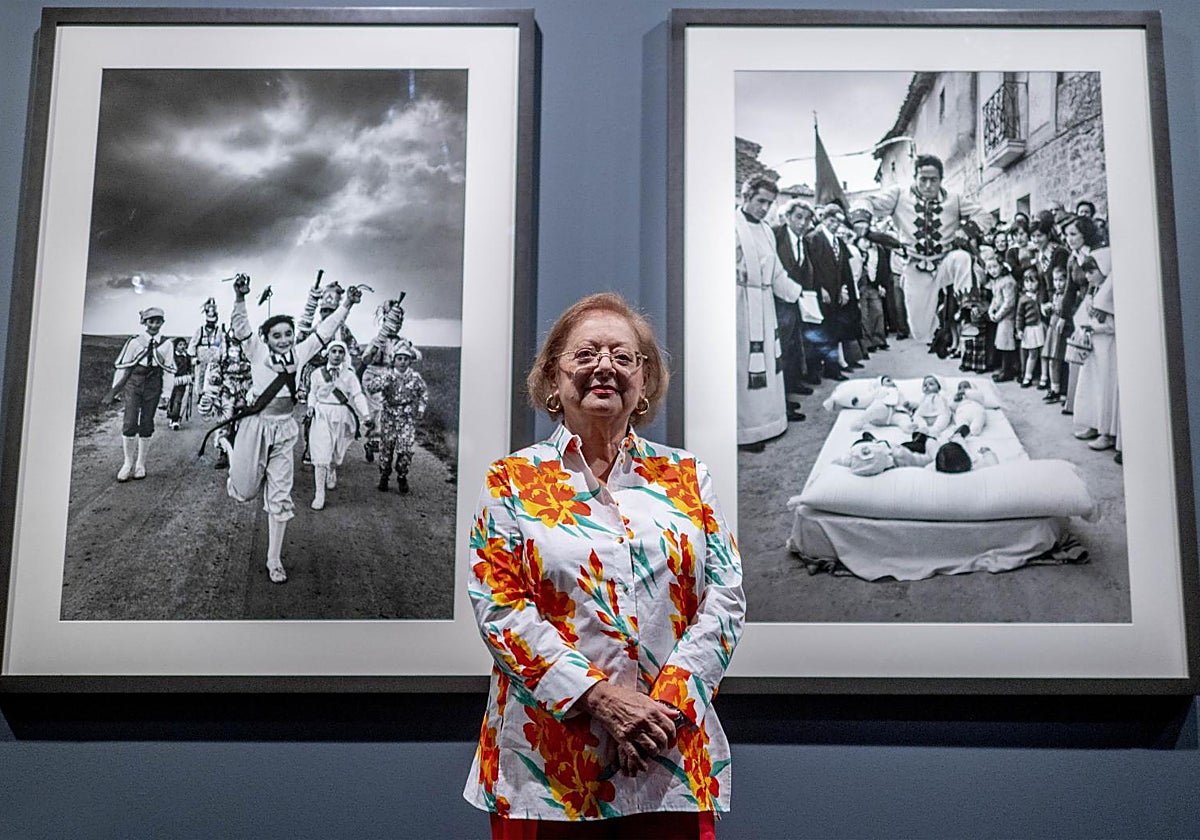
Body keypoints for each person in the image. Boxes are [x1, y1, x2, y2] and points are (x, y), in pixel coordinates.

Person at [464, 293, 744, 838]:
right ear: (553, 375)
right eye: (586, 353)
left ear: (645, 379)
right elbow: (501, 609)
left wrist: (659, 713)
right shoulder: (510, 481)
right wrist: (604, 701)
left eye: (623, 357)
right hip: (546, 771)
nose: (604, 368)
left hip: (668, 759)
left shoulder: (688, 476)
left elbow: (725, 599)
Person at [219, 273, 362, 584]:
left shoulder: (301, 352)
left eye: (288, 334)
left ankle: (274, 558)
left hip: (284, 431)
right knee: (243, 490)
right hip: (255, 428)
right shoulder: (256, 351)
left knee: (280, 496)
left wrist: (347, 304)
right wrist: (240, 297)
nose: (283, 339)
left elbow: (325, 330)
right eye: (277, 335)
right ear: (267, 338)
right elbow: (241, 328)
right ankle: (233, 454)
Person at [855, 153, 993, 344]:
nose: (928, 185)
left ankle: (966, 314)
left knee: (962, 258)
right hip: (915, 266)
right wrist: (862, 218)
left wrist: (966, 230)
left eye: (933, 180)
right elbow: (867, 201)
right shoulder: (898, 196)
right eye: (923, 180)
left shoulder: (955, 200)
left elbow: (985, 217)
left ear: (941, 180)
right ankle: (937, 325)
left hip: (945, 263)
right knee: (921, 333)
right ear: (915, 178)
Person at [735, 177, 803, 450]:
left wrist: (799, 294)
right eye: (760, 201)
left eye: (769, 203)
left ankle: (772, 420)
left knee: (770, 363)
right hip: (740, 304)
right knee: (745, 365)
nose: (765, 208)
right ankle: (746, 431)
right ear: (746, 196)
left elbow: (776, 273)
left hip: (764, 302)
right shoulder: (731, 227)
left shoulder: (766, 230)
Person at [105, 306, 177, 482]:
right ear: (145, 323)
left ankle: (140, 464)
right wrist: (115, 390)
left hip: (153, 385)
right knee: (129, 422)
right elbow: (123, 367)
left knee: (146, 423)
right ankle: (127, 463)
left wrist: (166, 395)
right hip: (134, 385)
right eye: (151, 321)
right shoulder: (134, 342)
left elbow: (168, 370)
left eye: (158, 321)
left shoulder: (167, 344)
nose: (154, 325)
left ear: (162, 323)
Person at [306, 340, 372, 510]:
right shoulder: (317, 374)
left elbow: (357, 395)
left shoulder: (349, 375)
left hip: (341, 415)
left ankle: (332, 469)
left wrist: (365, 414)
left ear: (344, 355)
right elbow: (312, 393)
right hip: (322, 414)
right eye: (333, 351)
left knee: (336, 453)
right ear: (327, 353)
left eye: (340, 352)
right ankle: (319, 493)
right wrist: (311, 407)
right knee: (321, 453)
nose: (336, 355)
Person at [802, 204, 857, 381]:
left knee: (834, 332)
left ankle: (832, 370)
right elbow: (812, 267)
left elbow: (842, 269)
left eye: (837, 222)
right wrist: (821, 289)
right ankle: (814, 372)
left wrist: (842, 288)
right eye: (831, 221)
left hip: (836, 294)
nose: (834, 225)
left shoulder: (838, 242)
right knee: (818, 333)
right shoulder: (813, 239)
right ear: (824, 220)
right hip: (819, 294)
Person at [367, 337, 428, 494]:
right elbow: (371, 387)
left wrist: (421, 409)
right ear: (393, 360)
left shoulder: (415, 377)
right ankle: (384, 476)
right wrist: (383, 382)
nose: (402, 362)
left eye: (405, 359)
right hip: (389, 416)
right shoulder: (388, 375)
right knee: (386, 448)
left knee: (405, 449)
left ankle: (402, 476)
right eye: (399, 358)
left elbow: (423, 393)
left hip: (406, 417)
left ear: (409, 361)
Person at [1071, 253, 1119, 451]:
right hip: (1093, 346)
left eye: (1092, 272)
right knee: (1090, 385)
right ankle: (1093, 423)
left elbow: (1113, 325)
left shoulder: (1110, 293)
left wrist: (1094, 328)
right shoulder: (1095, 290)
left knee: (1103, 388)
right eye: (1087, 272)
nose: (1088, 277)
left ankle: (1105, 432)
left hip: (1106, 346)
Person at [772, 197, 816, 411]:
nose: (803, 223)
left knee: (795, 344)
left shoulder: (804, 241)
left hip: (797, 301)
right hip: (779, 302)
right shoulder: (776, 235)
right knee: (781, 348)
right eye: (798, 217)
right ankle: (781, 399)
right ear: (787, 217)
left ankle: (793, 383)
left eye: (807, 219)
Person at [986, 256, 1019, 382]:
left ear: (1001, 266)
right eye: (989, 268)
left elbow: (1009, 303)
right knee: (1001, 343)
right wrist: (991, 310)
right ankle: (1005, 369)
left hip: (1008, 317)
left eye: (995, 267)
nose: (992, 270)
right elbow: (996, 298)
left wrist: (998, 315)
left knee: (1007, 344)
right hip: (1001, 316)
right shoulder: (997, 280)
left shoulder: (1008, 281)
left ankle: (1008, 371)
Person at [1015, 273, 1046, 387]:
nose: (1030, 285)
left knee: (1044, 353)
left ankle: (1044, 377)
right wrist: (1019, 329)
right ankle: (1027, 376)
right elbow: (1019, 316)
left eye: (1033, 281)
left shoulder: (1041, 295)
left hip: (1040, 327)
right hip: (1030, 328)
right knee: (1032, 353)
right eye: (1027, 282)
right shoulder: (1023, 299)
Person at [165, 337, 193, 430]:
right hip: (172, 380)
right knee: (172, 399)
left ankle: (175, 420)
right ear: (175, 346)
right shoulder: (172, 357)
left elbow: (189, 368)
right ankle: (171, 415)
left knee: (178, 399)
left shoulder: (187, 357)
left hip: (182, 380)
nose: (183, 347)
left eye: (184, 345)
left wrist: (191, 376)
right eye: (180, 345)